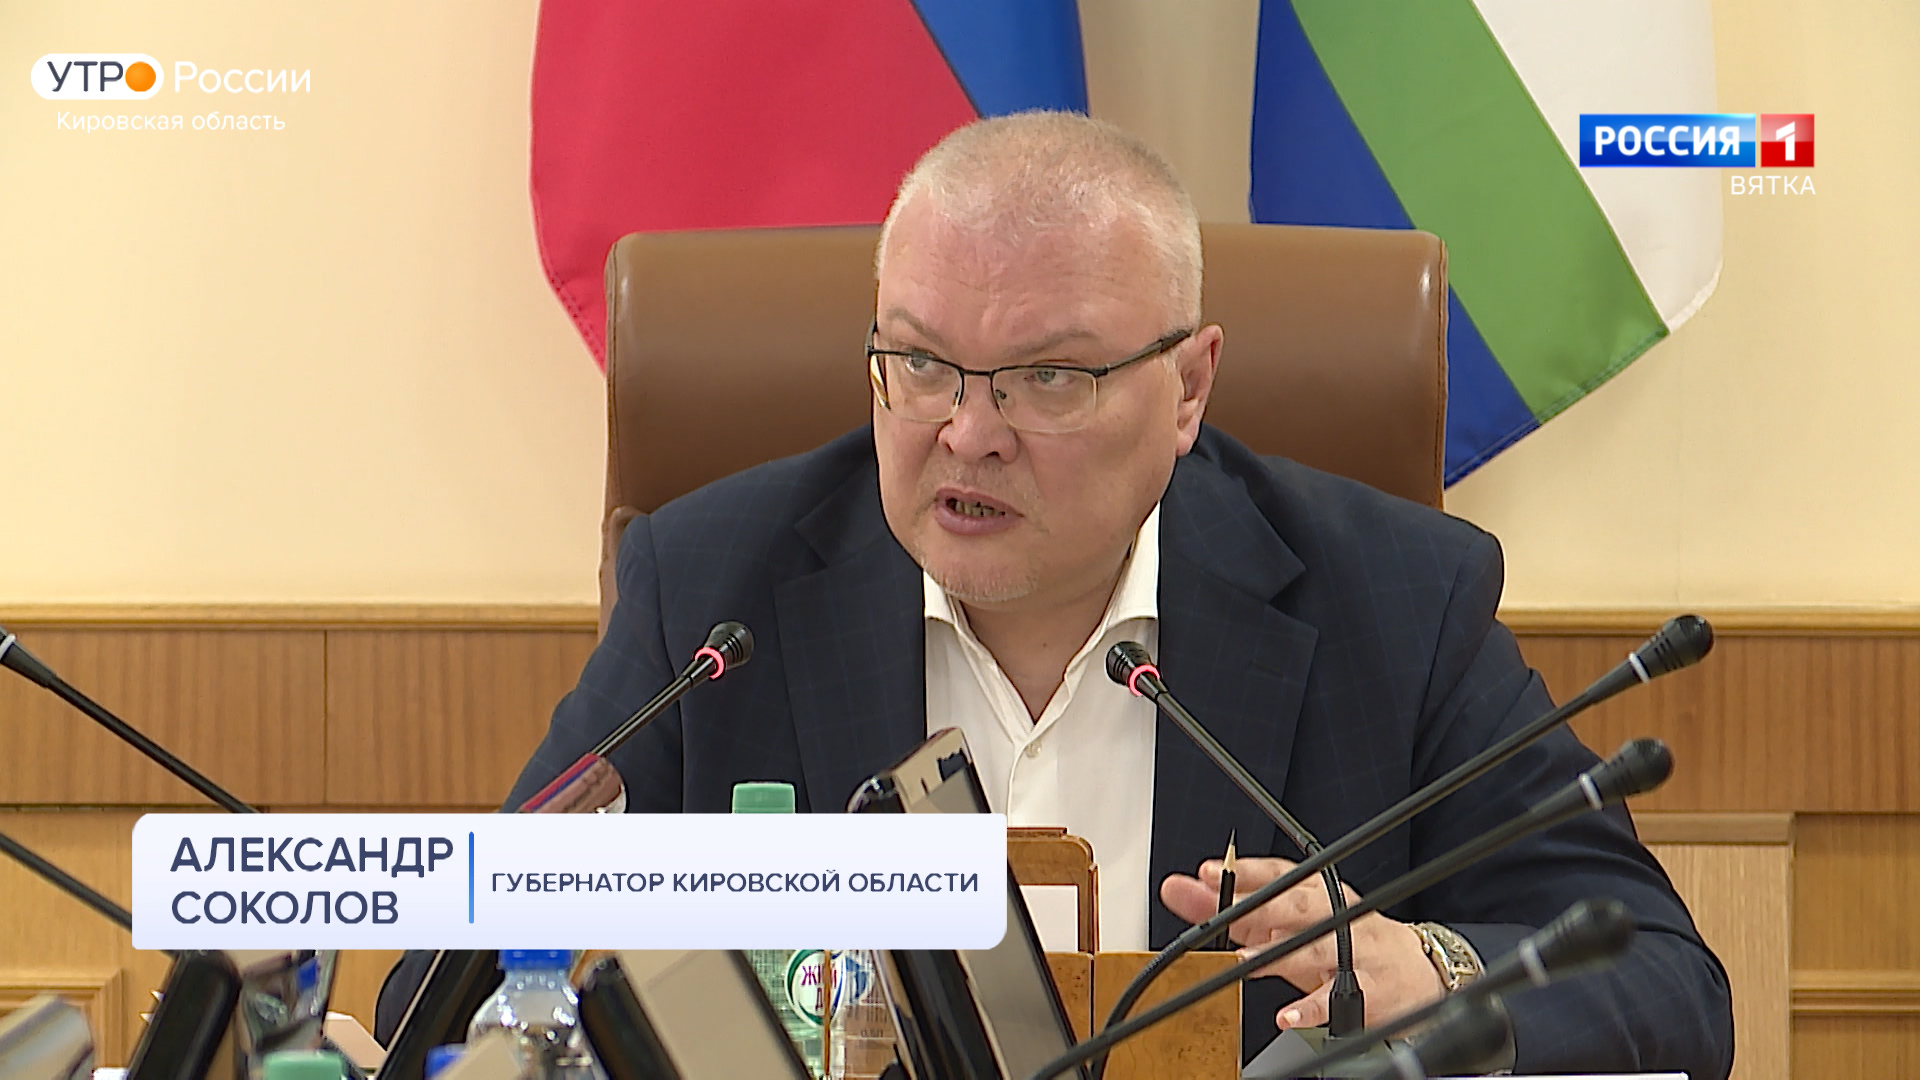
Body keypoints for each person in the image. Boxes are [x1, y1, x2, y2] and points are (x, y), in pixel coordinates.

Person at [379, 112, 1733, 1076]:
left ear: (1188, 387)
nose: (968, 434)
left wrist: (1427, 974)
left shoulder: (1393, 601)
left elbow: (1667, 984)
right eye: (919, 363)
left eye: (1050, 379)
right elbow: (443, 993)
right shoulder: (714, 592)